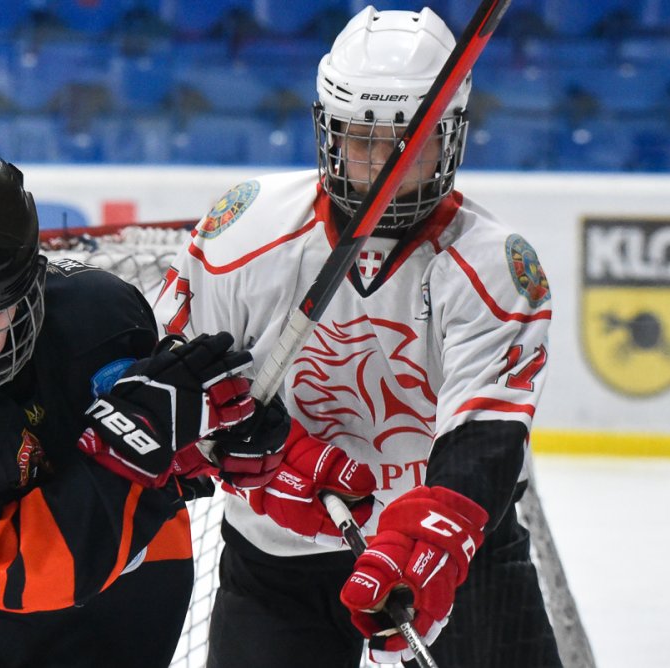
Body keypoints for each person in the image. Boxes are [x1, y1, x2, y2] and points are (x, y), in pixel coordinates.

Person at [150, 7, 562, 668]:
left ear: (451, 139)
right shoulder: (244, 233)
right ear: (330, 132)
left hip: (449, 554)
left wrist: (431, 539)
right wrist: (257, 454)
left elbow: (483, 439)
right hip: (278, 562)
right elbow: (169, 382)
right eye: (363, 138)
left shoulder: (496, 268)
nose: (383, 165)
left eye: (409, 143)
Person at [0, 151, 279, 667]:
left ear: (31, 281)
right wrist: (142, 440)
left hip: (108, 640)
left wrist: (216, 442)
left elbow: (161, 451)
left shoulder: (104, 316)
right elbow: (39, 572)